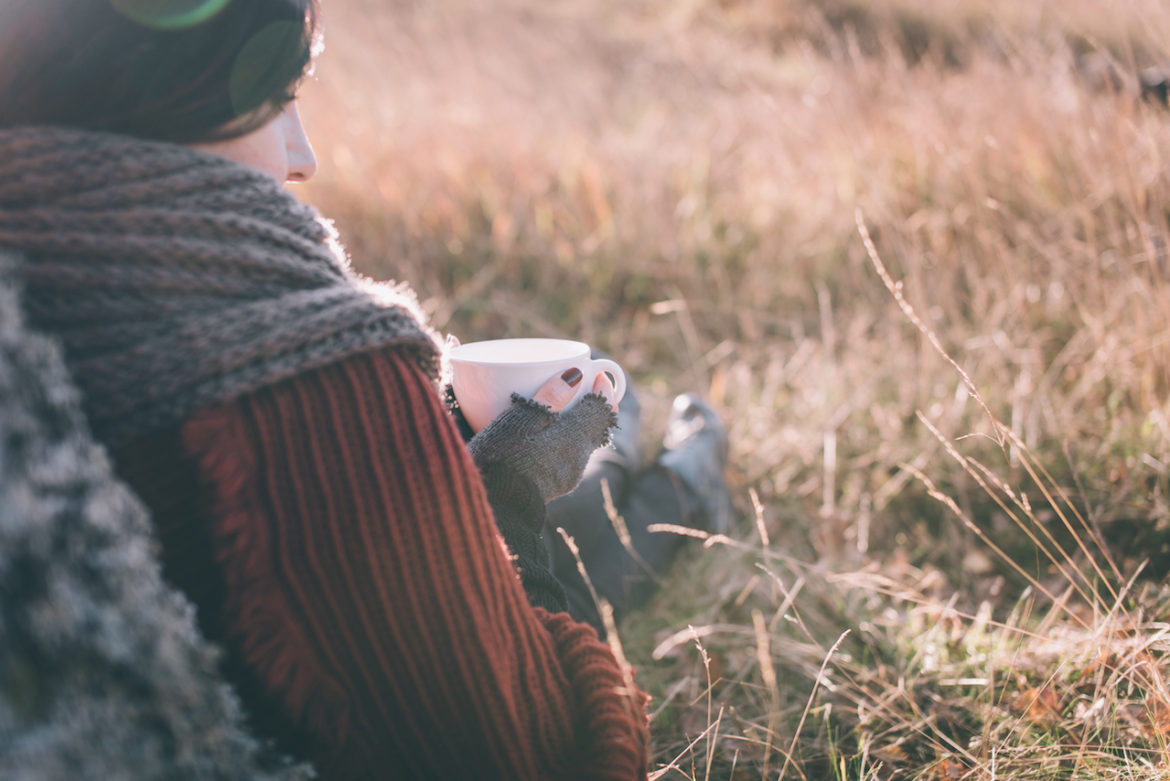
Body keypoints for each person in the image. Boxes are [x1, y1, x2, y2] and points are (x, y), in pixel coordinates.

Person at [0, 0, 732, 778]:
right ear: (163, 93)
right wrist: (508, 491)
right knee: (588, 515)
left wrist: (446, 454)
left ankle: (640, 431)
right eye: (278, 99)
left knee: (584, 457)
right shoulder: (322, 391)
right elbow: (529, 752)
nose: (302, 153)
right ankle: (694, 472)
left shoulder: (33, 311)